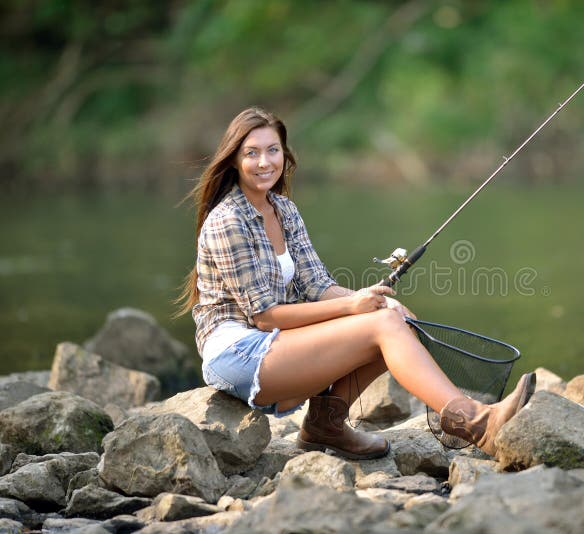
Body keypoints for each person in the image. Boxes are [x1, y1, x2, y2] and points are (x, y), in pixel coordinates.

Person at [178, 106, 535, 460]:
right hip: (236, 352)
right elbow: (266, 317)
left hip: (273, 342)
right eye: (251, 153)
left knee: (397, 317)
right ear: (234, 160)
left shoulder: (284, 209)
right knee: (380, 325)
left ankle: (324, 426)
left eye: (272, 150)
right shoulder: (227, 220)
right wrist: (353, 308)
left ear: (284, 155)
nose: (264, 162)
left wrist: (370, 299)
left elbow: (318, 285)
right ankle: (474, 422)